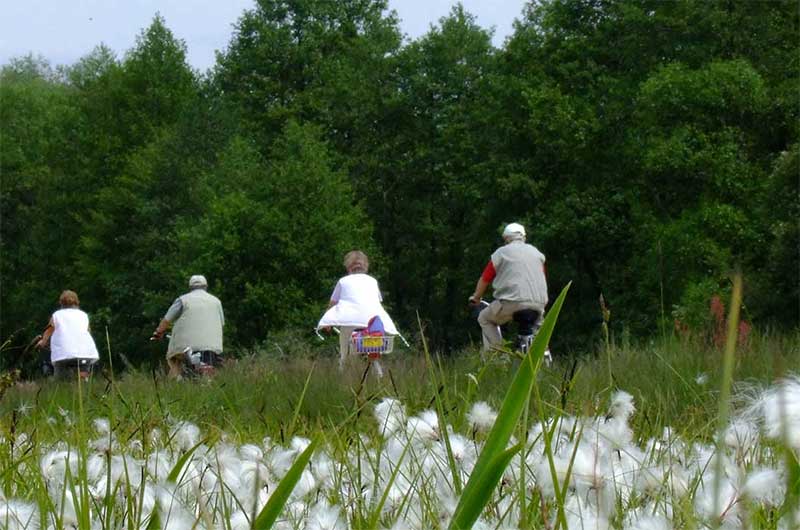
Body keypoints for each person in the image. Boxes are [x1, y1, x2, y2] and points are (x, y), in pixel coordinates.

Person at [468, 222, 548, 351]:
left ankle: (500, 355)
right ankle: (543, 355)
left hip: (511, 303)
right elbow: (542, 277)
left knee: (484, 318)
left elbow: (485, 279)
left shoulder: (501, 253)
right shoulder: (537, 254)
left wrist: (476, 297)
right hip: (538, 304)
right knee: (539, 332)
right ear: (524, 237)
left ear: (506, 239)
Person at [317, 251, 398, 370]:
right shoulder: (372, 281)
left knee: (345, 355)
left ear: (348, 267)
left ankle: (344, 373)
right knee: (373, 354)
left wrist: (327, 322)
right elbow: (377, 303)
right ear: (365, 266)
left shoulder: (343, 281)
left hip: (349, 322)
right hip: (372, 324)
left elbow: (333, 303)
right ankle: (378, 375)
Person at [152, 275, 224, 378]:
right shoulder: (216, 302)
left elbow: (167, 320)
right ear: (206, 286)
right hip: (213, 346)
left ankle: (177, 380)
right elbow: (221, 323)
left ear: (190, 287)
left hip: (186, 346)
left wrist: (158, 332)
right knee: (211, 370)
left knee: (176, 363)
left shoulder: (183, 300)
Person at [36, 290, 100, 381]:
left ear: (61, 302)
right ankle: (83, 381)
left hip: (63, 354)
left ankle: (64, 385)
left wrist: (43, 342)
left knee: (62, 381)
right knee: (83, 379)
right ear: (77, 302)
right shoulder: (84, 315)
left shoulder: (56, 315)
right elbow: (88, 331)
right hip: (85, 353)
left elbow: (49, 330)